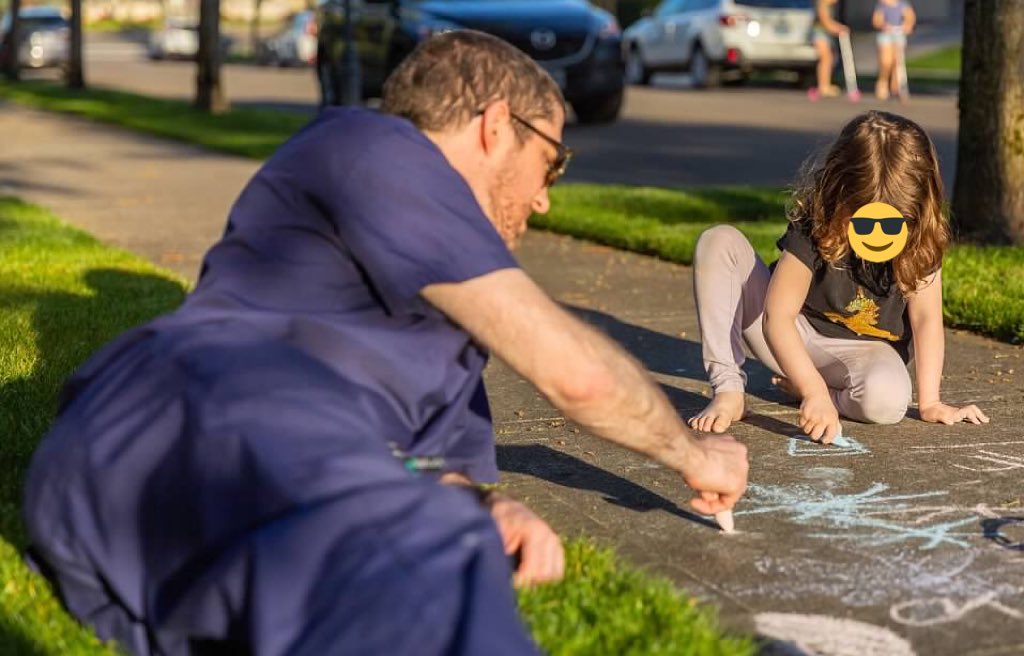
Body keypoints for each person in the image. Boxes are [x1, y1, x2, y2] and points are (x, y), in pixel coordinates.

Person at [23, 30, 748, 656]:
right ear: (497, 124)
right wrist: (692, 453)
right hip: (198, 408)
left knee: (431, 542)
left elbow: (424, 463)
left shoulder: (443, 324)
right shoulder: (370, 145)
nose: (543, 197)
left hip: (173, 523)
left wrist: (480, 506)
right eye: (551, 162)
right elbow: (574, 374)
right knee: (434, 558)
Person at [687, 110, 990, 441]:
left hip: (865, 354)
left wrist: (931, 402)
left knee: (888, 403)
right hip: (790, 337)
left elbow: (927, 321)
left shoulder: (919, 238)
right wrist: (813, 389)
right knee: (719, 242)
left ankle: (816, 392)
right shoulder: (816, 224)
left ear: (917, 209)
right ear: (840, 194)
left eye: (895, 222)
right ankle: (729, 388)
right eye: (863, 221)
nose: (878, 234)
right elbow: (777, 316)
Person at [873, 0, 916, 100]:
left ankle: (895, 86)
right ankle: (882, 83)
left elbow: (910, 17)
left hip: (898, 34)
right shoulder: (881, 6)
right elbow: (877, 20)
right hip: (886, 35)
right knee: (886, 61)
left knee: (897, 62)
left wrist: (908, 25)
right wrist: (883, 25)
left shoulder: (903, 5)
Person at [809, 0, 849, 98]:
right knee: (826, 58)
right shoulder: (823, 5)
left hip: (825, 35)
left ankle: (825, 85)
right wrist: (840, 29)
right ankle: (823, 86)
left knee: (829, 59)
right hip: (819, 34)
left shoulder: (830, 7)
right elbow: (826, 23)